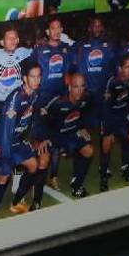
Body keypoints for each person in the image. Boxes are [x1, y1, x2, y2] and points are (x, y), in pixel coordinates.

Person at [0, 62, 47, 219]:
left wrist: (38, 138)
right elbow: (6, 129)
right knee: (4, 174)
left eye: (38, 76)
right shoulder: (16, 98)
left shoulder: (35, 94)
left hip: (17, 139)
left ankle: (16, 202)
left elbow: (34, 118)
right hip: (1, 141)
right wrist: (5, 156)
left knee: (33, 165)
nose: (36, 80)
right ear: (24, 78)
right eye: (32, 77)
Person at [37, 70, 96, 198]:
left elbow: (85, 113)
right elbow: (42, 119)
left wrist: (83, 127)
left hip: (73, 133)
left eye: (82, 86)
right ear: (69, 87)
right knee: (53, 151)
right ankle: (50, 178)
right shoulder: (58, 101)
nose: (79, 90)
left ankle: (77, 183)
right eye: (76, 87)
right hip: (56, 135)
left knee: (89, 150)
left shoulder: (86, 98)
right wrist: (45, 138)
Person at [100, 55, 129, 189]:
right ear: (120, 69)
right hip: (110, 117)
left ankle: (128, 169)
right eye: (127, 67)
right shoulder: (112, 83)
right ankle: (103, 176)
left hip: (124, 116)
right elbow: (105, 108)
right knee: (107, 143)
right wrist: (108, 130)